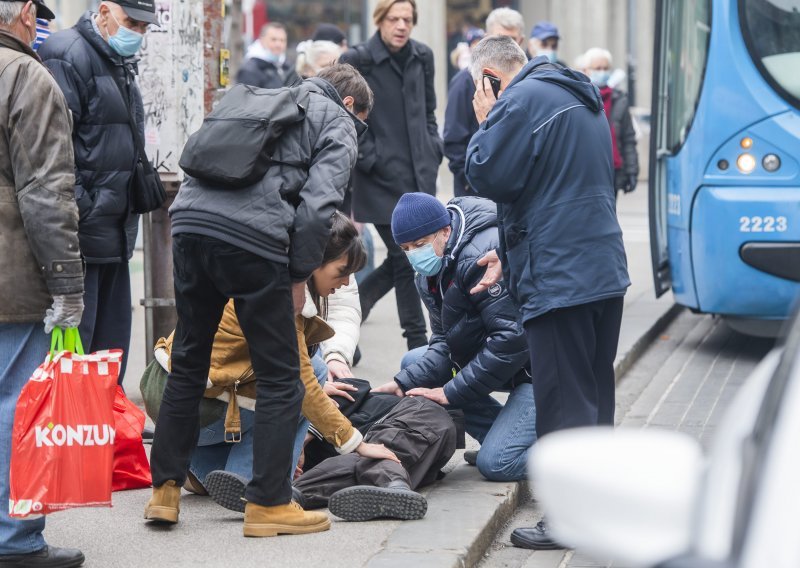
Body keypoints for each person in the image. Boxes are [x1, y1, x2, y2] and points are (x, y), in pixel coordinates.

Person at [144, 64, 373, 538]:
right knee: (282, 376)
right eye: (362, 121)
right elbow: (316, 210)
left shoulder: (253, 100)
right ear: (350, 104)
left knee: (189, 359)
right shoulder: (336, 121)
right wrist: (295, 275)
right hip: (252, 242)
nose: (359, 132)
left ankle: (163, 492)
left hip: (188, 226)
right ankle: (268, 503)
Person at [465, 35, 630, 549]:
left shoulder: (520, 100)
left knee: (562, 402)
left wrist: (486, 119)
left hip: (561, 278)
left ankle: (568, 519)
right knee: (593, 396)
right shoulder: (574, 93)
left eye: (478, 87)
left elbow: (485, 172)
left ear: (490, 77)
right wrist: (507, 255)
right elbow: (549, 190)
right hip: (599, 268)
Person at [0, 1, 86, 566]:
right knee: (19, 404)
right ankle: (16, 537)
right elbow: (45, 190)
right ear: (27, 12)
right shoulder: (24, 75)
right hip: (11, 275)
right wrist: (67, 282)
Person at [373, 193, 536, 482]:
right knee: (413, 363)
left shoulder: (477, 257)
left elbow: (511, 341)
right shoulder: (429, 272)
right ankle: (499, 436)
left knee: (497, 464)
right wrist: (403, 383)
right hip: (503, 363)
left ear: (445, 231)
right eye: (406, 248)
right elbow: (444, 339)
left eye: (420, 244)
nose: (413, 254)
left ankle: (566, 458)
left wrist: (449, 392)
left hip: (536, 369)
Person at [39, 0, 156, 387]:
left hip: (115, 230)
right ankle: (78, 443)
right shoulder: (67, 54)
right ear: (104, 11)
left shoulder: (115, 59)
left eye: (143, 28)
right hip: (83, 236)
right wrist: (84, 208)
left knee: (109, 355)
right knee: (78, 359)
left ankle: (105, 438)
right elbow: (54, 150)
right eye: (131, 23)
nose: (137, 34)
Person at [339, 0, 443, 352]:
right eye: (394, 18)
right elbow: (344, 116)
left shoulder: (422, 56)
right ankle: (417, 341)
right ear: (379, 20)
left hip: (418, 172)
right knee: (405, 257)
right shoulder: (358, 58)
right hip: (379, 177)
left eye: (408, 19)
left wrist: (433, 147)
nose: (402, 25)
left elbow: (429, 110)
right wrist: (370, 158)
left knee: (404, 256)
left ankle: (361, 301)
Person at [443, 8, 526, 197]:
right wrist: (471, 179)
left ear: (521, 41)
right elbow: (453, 139)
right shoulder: (465, 81)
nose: (506, 46)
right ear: (486, 38)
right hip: (477, 190)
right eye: (500, 38)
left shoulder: (528, 81)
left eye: (512, 40)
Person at [583, 47, 639, 197]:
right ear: (586, 70)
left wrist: (632, 171)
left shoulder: (620, 100)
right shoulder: (579, 97)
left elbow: (628, 138)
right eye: (597, 68)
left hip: (613, 171)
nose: (602, 72)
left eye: (605, 68)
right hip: (587, 172)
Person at [236, 22, 300, 89]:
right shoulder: (249, 71)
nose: (278, 44)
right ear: (262, 40)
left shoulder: (287, 66)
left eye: (282, 40)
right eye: (273, 39)